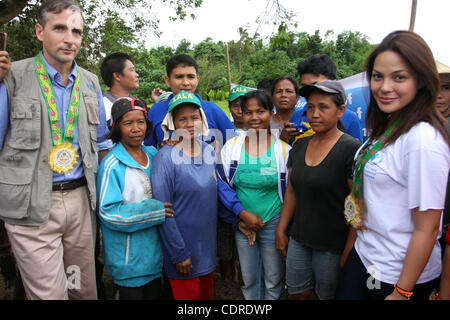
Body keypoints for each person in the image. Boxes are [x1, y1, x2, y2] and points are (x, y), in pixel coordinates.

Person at [0, 0, 112, 299]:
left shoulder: (90, 83)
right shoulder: (11, 76)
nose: (69, 38)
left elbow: (101, 143)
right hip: (31, 207)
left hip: (79, 202)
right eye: (59, 28)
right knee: (51, 294)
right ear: (40, 31)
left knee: (82, 290)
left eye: (76, 31)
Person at [336, 31, 450, 300]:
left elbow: (428, 227)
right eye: (378, 76)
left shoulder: (422, 140)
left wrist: (402, 291)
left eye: (399, 77)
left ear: (421, 81)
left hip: (395, 274)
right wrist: (352, 248)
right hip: (366, 256)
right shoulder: (389, 125)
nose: (385, 87)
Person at [275, 80, 361, 300]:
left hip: (332, 244)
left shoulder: (350, 149)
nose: (314, 114)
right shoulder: (300, 145)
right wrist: (281, 230)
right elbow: (292, 192)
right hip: (300, 238)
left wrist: (349, 247)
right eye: (310, 107)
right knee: (297, 292)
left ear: (340, 110)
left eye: (323, 107)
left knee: (326, 295)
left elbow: (358, 203)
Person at [150, 91, 240, 300]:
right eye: (183, 119)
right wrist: (179, 253)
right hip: (182, 252)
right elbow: (163, 211)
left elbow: (215, 196)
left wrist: (238, 218)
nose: (190, 124)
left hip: (206, 249)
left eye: (195, 117)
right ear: (173, 123)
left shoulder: (208, 152)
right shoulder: (164, 158)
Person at [96, 97, 173, 300]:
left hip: (155, 256)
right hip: (128, 260)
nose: (136, 128)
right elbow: (108, 213)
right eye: (128, 123)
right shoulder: (112, 164)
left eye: (140, 122)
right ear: (117, 128)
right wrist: (154, 211)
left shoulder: (154, 154)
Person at [217, 90, 291, 300]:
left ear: (271, 112)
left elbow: (291, 192)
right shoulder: (231, 148)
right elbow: (222, 185)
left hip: (273, 223)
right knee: (249, 280)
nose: (255, 118)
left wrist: (282, 229)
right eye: (248, 112)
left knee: (273, 280)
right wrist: (241, 215)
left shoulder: (284, 150)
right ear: (241, 115)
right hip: (243, 224)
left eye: (261, 111)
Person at [144, 54, 235, 150]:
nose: (186, 83)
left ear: (197, 79)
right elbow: (149, 149)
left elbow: (234, 145)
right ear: (167, 80)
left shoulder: (213, 110)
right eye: (179, 77)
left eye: (190, 77)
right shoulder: (155, 111)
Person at [288, 54, 363, 143]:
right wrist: (285, 137)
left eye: (316, 85)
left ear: (333, 82)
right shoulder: (296, 116)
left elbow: (356, 154)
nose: (311, 91)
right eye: (305, 86)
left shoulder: (350, 118)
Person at [100, 52, 139, 127]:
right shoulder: (103, 109)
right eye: (131, 70)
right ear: (117, 76)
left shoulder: (137, 104)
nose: (137, 75)